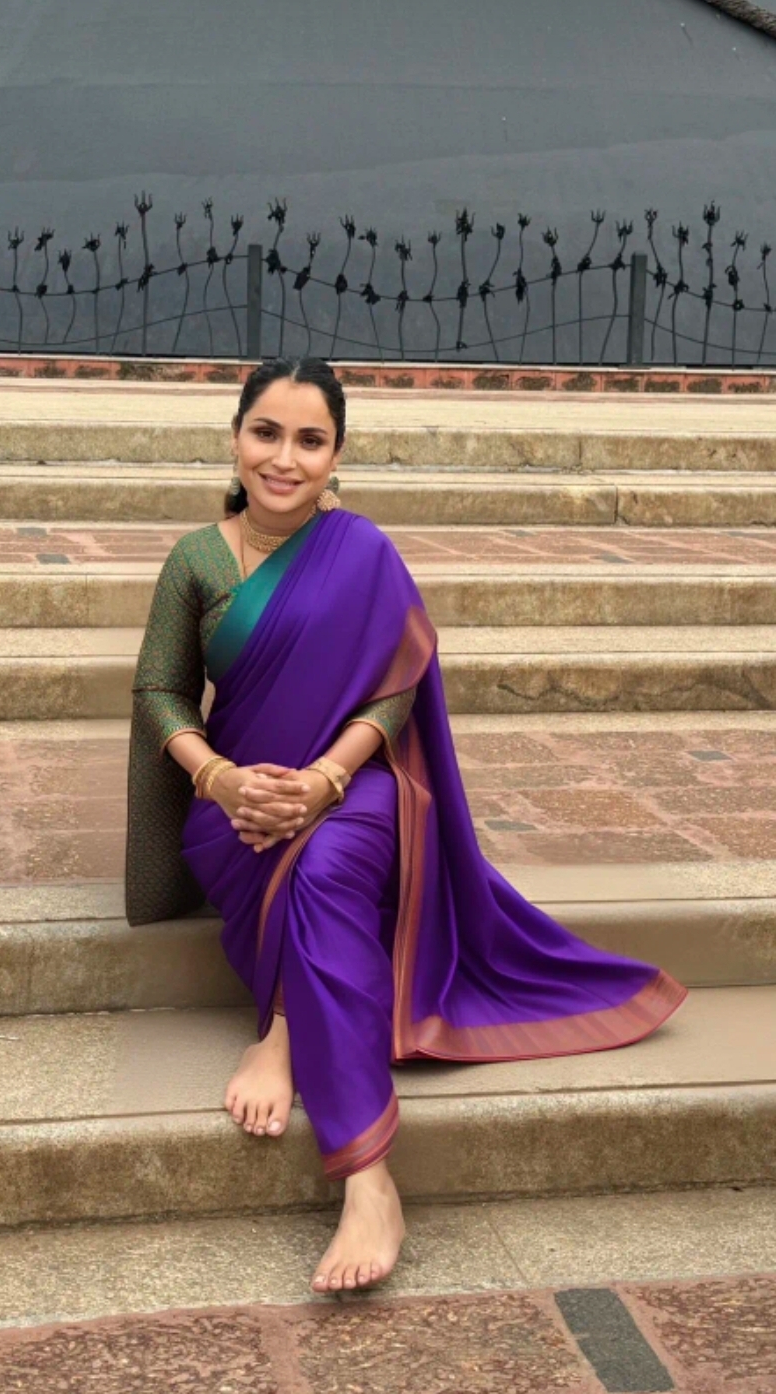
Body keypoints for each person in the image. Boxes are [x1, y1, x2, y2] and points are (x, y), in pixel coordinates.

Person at [125, 356, 687, 1295]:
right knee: (280, 855)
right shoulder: (195, 560)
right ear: (235, 438)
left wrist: (323, 780)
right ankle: (287, 1028)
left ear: (336, 455)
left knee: (324, 870)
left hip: (357, 785)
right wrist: (219, 779)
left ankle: (361, 1167)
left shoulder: (363, 553)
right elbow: (159, 690)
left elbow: (394, 691)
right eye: (267, 433)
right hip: (238, 802)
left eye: (310, 440)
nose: (284, 458)